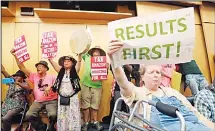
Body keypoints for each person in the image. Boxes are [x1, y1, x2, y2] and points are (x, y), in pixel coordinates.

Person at [107, 40, 214, 131]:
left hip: (196, 125)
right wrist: (113, 59)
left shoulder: (172, 92)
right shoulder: (139, 93)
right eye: (151, 72)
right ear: (142, 76)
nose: (156, 75)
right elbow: (123, 83)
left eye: (158, 72)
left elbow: (196, 114)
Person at [10, 49, 58, 131]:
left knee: (53, 114)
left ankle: (51, 127)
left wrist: (50, 86)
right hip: (38, 101)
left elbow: (58, 83)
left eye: (41, 66)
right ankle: (41, 126)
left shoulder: (52, 76)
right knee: (29, 115)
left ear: (46, 69)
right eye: (37, 67)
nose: (38, 68)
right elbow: (22, 67)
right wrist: (15, 56)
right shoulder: (34, 76)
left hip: (51, 100)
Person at [48, 54, 82, 131]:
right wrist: (49, 58)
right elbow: (53, 63)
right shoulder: (61, 71)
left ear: (72, 63)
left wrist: (80, 55)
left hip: (72, 98)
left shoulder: (75, 70)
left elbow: (79, 62)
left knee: (72, 115)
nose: (66, 63)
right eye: (65, 61)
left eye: (68, 61)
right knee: (63, 115)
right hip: (62, 97)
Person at [81, 46, 107, 131]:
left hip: (97, 86)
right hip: (86, 84)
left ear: (100, 54)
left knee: (95, 105)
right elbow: (81, 51)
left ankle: (95, 122)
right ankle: (86, 123)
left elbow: (104, 74)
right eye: (95, 51)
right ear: (92, 52)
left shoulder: (103, 61)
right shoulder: (87, 57)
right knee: (85, 106)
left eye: (98, 52)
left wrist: (105, 67)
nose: (96, 53)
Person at [1, 65, 33, 131]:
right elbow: (3, 71)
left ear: (22, 78)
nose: (16, 77)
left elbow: (28, 88)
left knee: (5, 118)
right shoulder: (11, 82)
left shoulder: (25, 84)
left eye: (18, 76)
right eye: (15, 76)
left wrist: (18, 83)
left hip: (17, 106)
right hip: (6, 105)